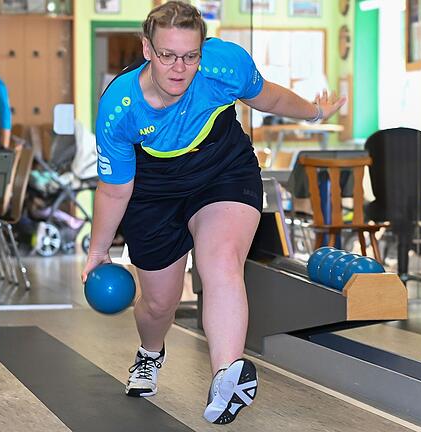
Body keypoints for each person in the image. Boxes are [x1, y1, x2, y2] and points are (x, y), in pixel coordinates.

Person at [81, 1, 344, 425]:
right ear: (147, 49)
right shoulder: (120, 105)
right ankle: (150, 353)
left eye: (190, 55)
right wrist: (97, 252)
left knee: (220, 261)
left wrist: (316, 111)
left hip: (222, 169)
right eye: (168, 55)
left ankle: (227, 376)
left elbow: (268, 96)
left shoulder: (224, 65)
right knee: (159, 305)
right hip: (153, 189)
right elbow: (115, 189)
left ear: (203, 50)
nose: (179, 68)